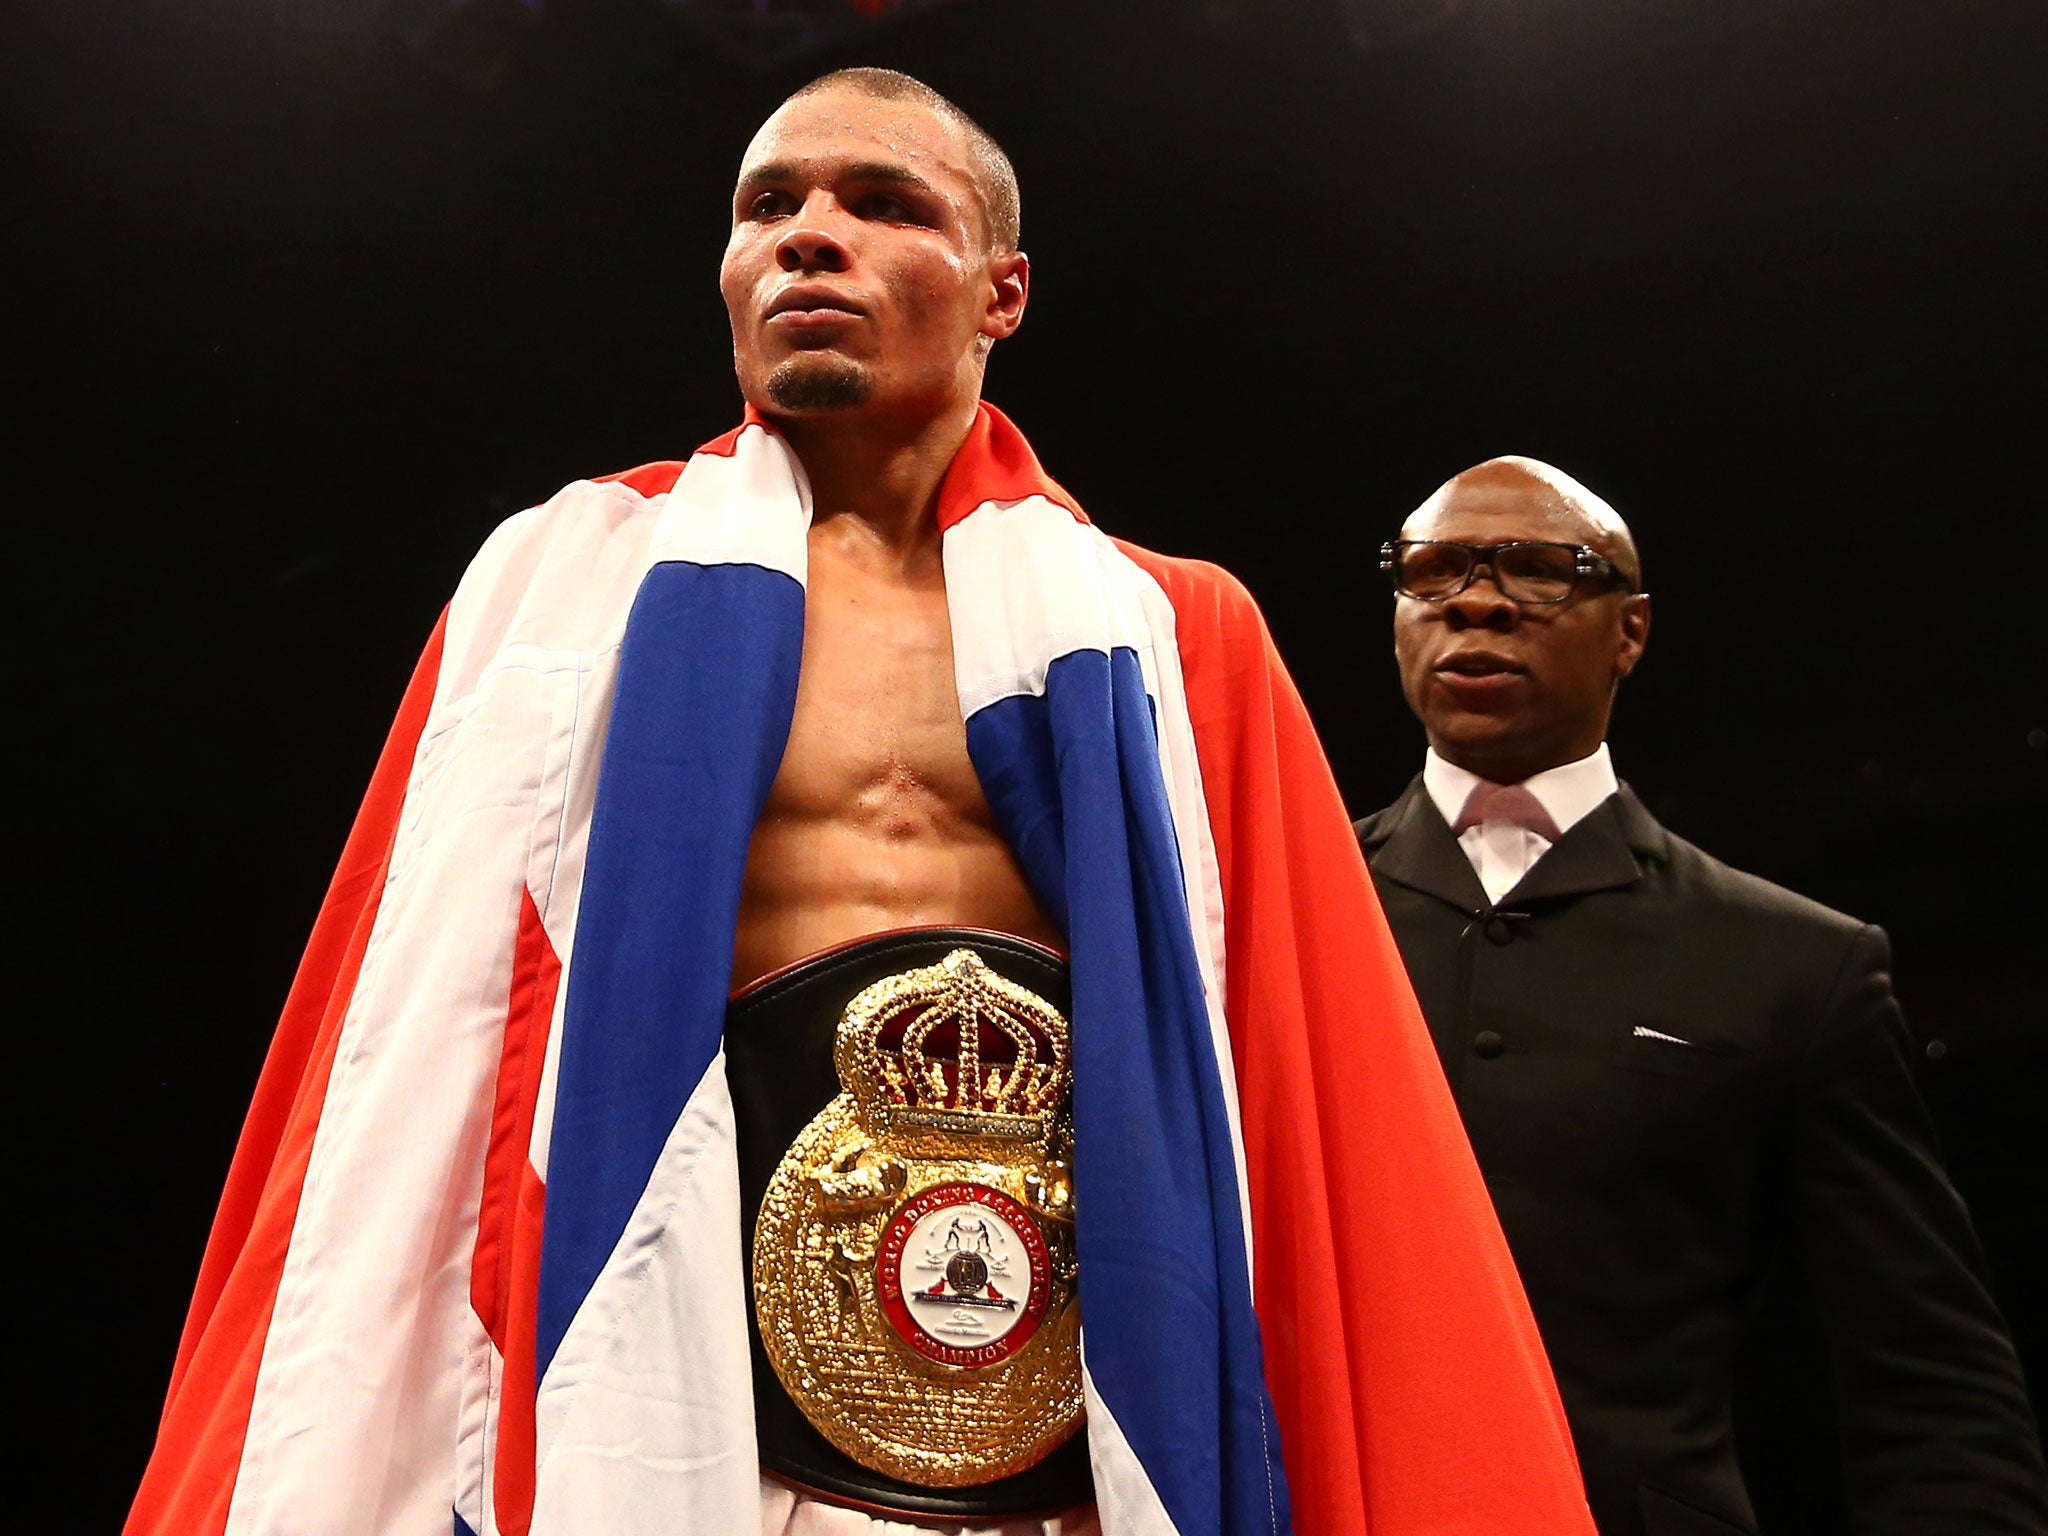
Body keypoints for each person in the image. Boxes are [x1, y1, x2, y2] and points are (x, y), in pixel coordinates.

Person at [126, 73, 1596, 1536]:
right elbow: (406, 1063)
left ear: (1002, 292)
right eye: (771, 205)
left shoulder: (1170, 635)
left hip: (1055, 1457)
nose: (809, 236)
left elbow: (1305, 1086)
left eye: (883, 205)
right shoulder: (565, 595)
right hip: (686, 1426)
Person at [1354, 455, 2048, 1536]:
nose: (1476, 599)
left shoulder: (1792, 962)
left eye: (1537, 570)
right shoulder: (1263, 914)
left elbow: (1925, 1372)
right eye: (1431, 570)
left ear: (1628, 631)